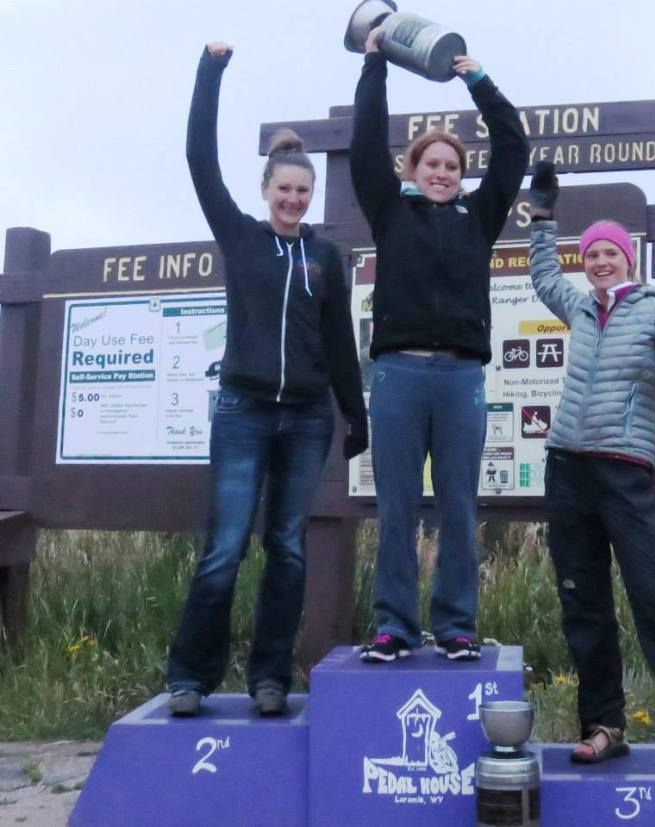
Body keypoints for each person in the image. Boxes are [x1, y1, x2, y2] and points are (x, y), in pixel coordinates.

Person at [166, 43, 368, 716]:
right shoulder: (241, 235)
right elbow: (198, 158)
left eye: (302, 192)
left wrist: (355, 413)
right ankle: (190, 677)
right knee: (224, 548)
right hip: (244, 412)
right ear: (266, 191)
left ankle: (270, 678)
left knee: (287, 548)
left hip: (307, 418)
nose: (292, 199)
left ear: (311, 197)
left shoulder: (325, 257)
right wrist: (210, 72)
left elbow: (339, 341)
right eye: (283, 189)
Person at [527, 162, 655, 777]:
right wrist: (542, 220)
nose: (600, 261)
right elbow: (543, 276)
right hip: (567, 469)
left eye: (610, 253)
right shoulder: (580, 306)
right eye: (592, 254)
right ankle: (603, 727)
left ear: (629, 260)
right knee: (583, 606)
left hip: (624, 473)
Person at [351, 30, 529, 663]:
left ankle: (455, 626)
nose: (443, 174)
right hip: (398, 375)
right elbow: (365, 144)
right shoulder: (388, 211)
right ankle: (394, 627)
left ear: (461, 176)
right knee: (396, 507)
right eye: (432, 165)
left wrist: (479, 82)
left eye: (452, 167)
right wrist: (375, 65)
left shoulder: (479, 217)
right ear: (413, 170)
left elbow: (514, 147)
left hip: (459, 380)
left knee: (458, 506)